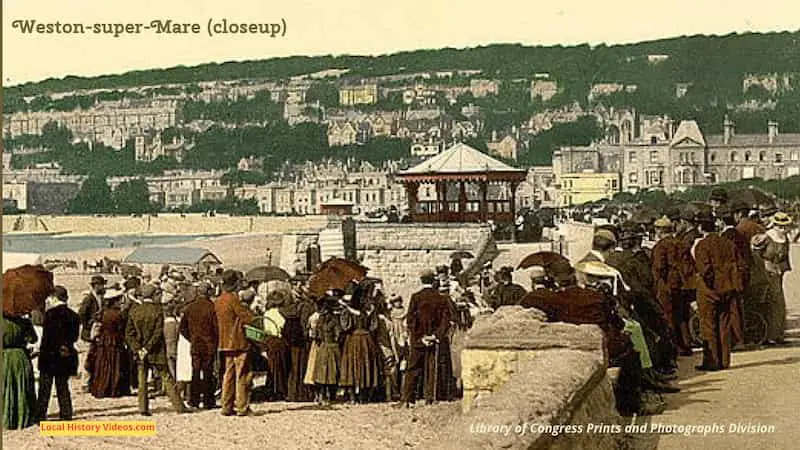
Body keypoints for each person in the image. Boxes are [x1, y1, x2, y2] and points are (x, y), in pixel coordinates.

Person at [693, 210, 745, 371]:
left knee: (708, 325)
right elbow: (741, 265)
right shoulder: (728, 243)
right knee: (724, 324)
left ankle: (712, 361)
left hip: (710, 290)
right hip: (728, 288)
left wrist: (706, 283)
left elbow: (705, 270)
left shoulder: (702, 245)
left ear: (701, 227)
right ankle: (724, 360)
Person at [126, 284, 188, 415]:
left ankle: (143, 408)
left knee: (142, 380)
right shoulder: (158, 310)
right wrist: (148, 348)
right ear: (154, 295)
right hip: (156, 350)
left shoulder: (134, 311)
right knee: (166, 377)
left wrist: (138, 348)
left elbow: (129, 333)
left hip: (141, 352)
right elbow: (158, 332)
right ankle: (179, 406)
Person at [397, 270, 453, 407]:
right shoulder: (441, 298)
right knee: (432, 368)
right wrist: (435, 336)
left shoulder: (416, 297)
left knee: (413, 368)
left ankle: (407, 399)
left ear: (421, 280)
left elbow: (410, 320)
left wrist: (420, 337)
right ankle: (430, 398)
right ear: (433, 280)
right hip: (434, 339)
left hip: (418, 339)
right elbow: (445, 321)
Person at [214, 270, 255, 416]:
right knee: (242, 374)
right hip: (238, 341)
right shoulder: (233, 299)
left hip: (224, 341)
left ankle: (226, 406)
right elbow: (246, 318)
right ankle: (242, 406)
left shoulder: (218, 300)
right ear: (235, 283)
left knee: (228, 374)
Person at [38, 286, 80, 421]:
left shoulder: (49, 315)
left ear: (54, 298)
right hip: (66, 355)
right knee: (63, 387)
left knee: (45, 388)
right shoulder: (74, 315)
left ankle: (40, 415)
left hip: (49, 356)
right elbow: (74, 337)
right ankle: (66, 414)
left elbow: (46, 338)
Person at [752, 212, 793, 345]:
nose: (782, 229)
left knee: (779, 303)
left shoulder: (784, 238)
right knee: (771, 303)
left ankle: (778, 333)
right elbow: (755, 254)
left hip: (778, 273)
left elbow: (784, 257)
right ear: (774, 225)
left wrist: (782, 268)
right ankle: (770, 335)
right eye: (780, 226)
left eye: (784, 226)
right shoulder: (766, 237)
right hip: (766, 273)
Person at [87, 287, 132, 398]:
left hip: (103, 341)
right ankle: (113, 388)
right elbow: (121, 329)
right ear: (115, 301)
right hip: (115, 340)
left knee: (103, 364)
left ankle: (102, 387)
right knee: (115, 364)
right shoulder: (118, 314)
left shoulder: (102, 313)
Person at [180, 284, 219, 409]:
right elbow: (216, 327)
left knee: (195, 372)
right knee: (208, 372)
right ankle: (208, 401)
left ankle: (194, 400)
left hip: (196, 344)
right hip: (209, 344)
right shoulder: (212, 307)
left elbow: (183, 328)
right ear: (208, 292)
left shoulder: (190, 307)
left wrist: (191, 338)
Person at [313, 292, 344, 405]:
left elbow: (316, 335)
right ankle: (330, 395)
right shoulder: (334, 320)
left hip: (323, 347)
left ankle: (323, 395)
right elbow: (338, 334)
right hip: (331, 347)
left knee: (323, 373)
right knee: (332, 372)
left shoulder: (320, 320)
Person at [79, 275, 106, 390]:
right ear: (95, 286)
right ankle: (85, 383)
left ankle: (91, 381)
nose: (103, 287)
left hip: (96, 331)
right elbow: (81, 314)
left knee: (94, 357)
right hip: (89, 332)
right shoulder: (89, 299)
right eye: (101, 285)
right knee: (87, 357)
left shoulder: (100, 298)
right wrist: (89, 324)